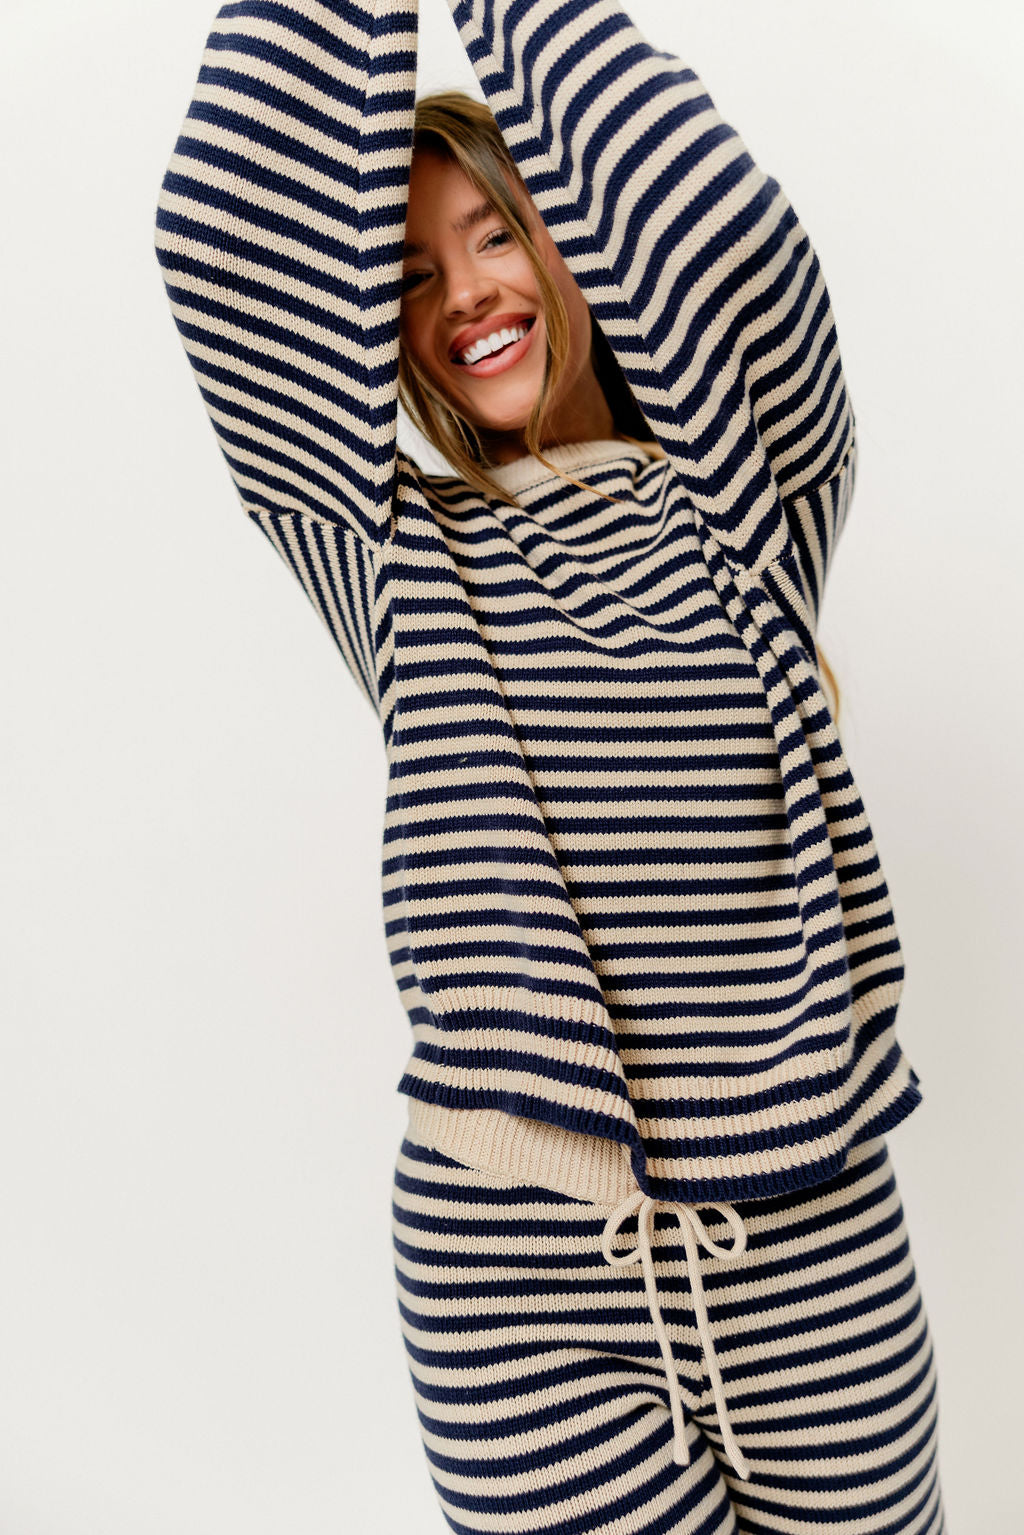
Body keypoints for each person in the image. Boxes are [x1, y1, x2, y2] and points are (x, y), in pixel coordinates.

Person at [154, 1, 946, 1528]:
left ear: (575, 233)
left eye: (497, 233)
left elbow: (717, 223)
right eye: (408, 275)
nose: (463, 293)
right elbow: (228, 243)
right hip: (511, 1287)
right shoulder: (388, 557)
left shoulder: (752, 500)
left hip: (816, 1249)